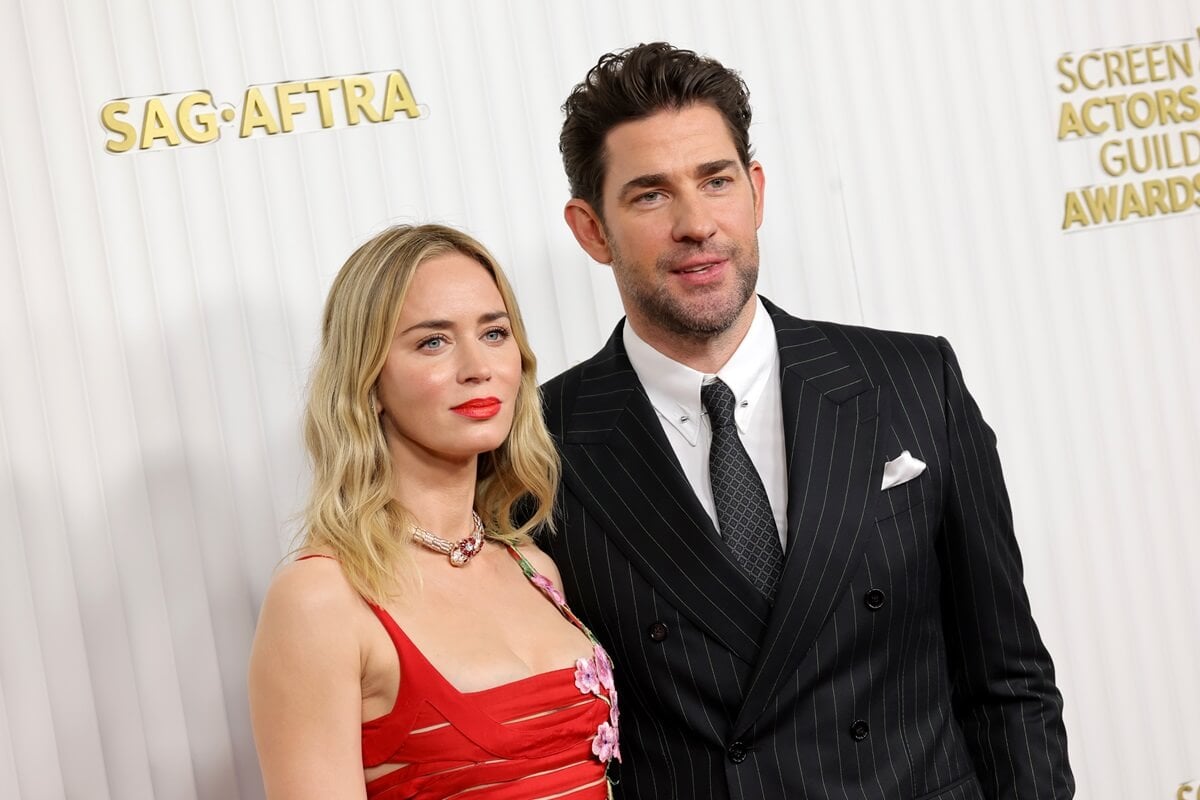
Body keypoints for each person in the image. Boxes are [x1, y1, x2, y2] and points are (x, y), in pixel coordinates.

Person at [541, 42, 1073, 799]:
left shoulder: (916, 383)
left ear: (755, 192)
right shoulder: (541, 443)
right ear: (592, 229)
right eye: (651, 195)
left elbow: (1008, 679)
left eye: (716, 181)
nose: (697, 223)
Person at [248, 224, 620, 799]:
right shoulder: (321, 599)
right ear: (368, 381)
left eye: (495, 333)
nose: (478, 366)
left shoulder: (533, 568)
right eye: (433, 342)